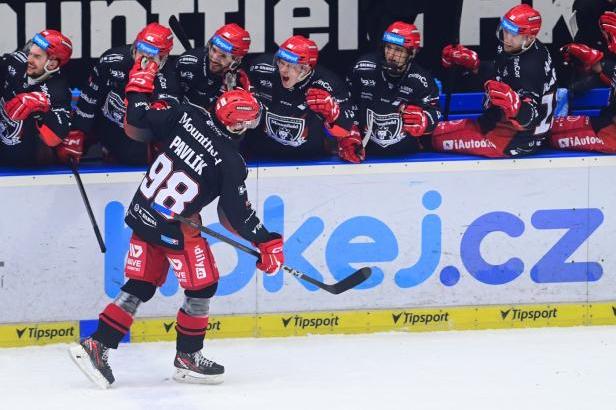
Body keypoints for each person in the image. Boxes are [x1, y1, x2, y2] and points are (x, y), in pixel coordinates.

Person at [69, 56, 284, 389]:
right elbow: (236, 214)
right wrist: (266, 241)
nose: (249, 127)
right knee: (202, 285)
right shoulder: (230, 160)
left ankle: (98, 343)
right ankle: (188, 357)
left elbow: (137, 119)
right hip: (173, 226)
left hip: (144, 210)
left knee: (141, 284)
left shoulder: (187, 114)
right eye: (248, 122)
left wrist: (138, 84)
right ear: (235, 125)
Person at [433, 4, 557, 158]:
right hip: (499, 127)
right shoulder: (518, 46)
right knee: (438, 130)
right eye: (505, 29)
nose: (507, 37)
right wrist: (475, 65)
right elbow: (502, 72)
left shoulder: (531, 67)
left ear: (529, 37)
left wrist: (517, 108)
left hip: (510, 140)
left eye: (513, 33)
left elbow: (531, 117)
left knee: (433, 137)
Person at [68, 22, 180, 165]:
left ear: (163, 58)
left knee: (140, 156)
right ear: (135, 46)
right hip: (104, 122)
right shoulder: (111, 60)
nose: (143, 60)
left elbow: (158, 124)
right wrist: (78, 130)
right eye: (141, 51)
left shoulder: (169, 81)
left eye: (151, 56)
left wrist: (143, 90)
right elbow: (90, 97)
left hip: (135, 137)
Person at [245, 35, 364, 163]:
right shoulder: (260, 69)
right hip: (263, 156)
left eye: (291, 66)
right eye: (281, 62)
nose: (283, 70)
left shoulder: (329, 83)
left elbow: (345, 129)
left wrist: (333, 114)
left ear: (306, 68)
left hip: (311, 160)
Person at [347, 21, 441, 156]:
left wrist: (424, 120)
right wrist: (351, 133)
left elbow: (435, 112)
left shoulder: (422, 80)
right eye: (388, 47)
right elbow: (347, 101)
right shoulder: (363, 68)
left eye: (398, 50)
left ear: (412, 52)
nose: (391, 55)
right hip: (365, 154)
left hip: (407, 156)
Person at [0, 29, 72, 166]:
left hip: (27, 165)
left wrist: (41, 111)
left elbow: (56, 137)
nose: (29, 59)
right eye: (29, 53)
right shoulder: (15, 62)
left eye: (37, 57)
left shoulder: (57, 90)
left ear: (52, 64)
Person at [550, 11, 616, 153]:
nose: (605, 39)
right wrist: (590, 60)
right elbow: (606, 70)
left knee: (550, 132)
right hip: (607, 125)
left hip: (610, 134)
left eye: (606, 35)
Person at [176, 23, 251, 111]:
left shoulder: (242, 78)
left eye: (223, 56)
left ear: (237, 60)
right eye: (213, 50)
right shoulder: (187, 63)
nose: (214, 58)